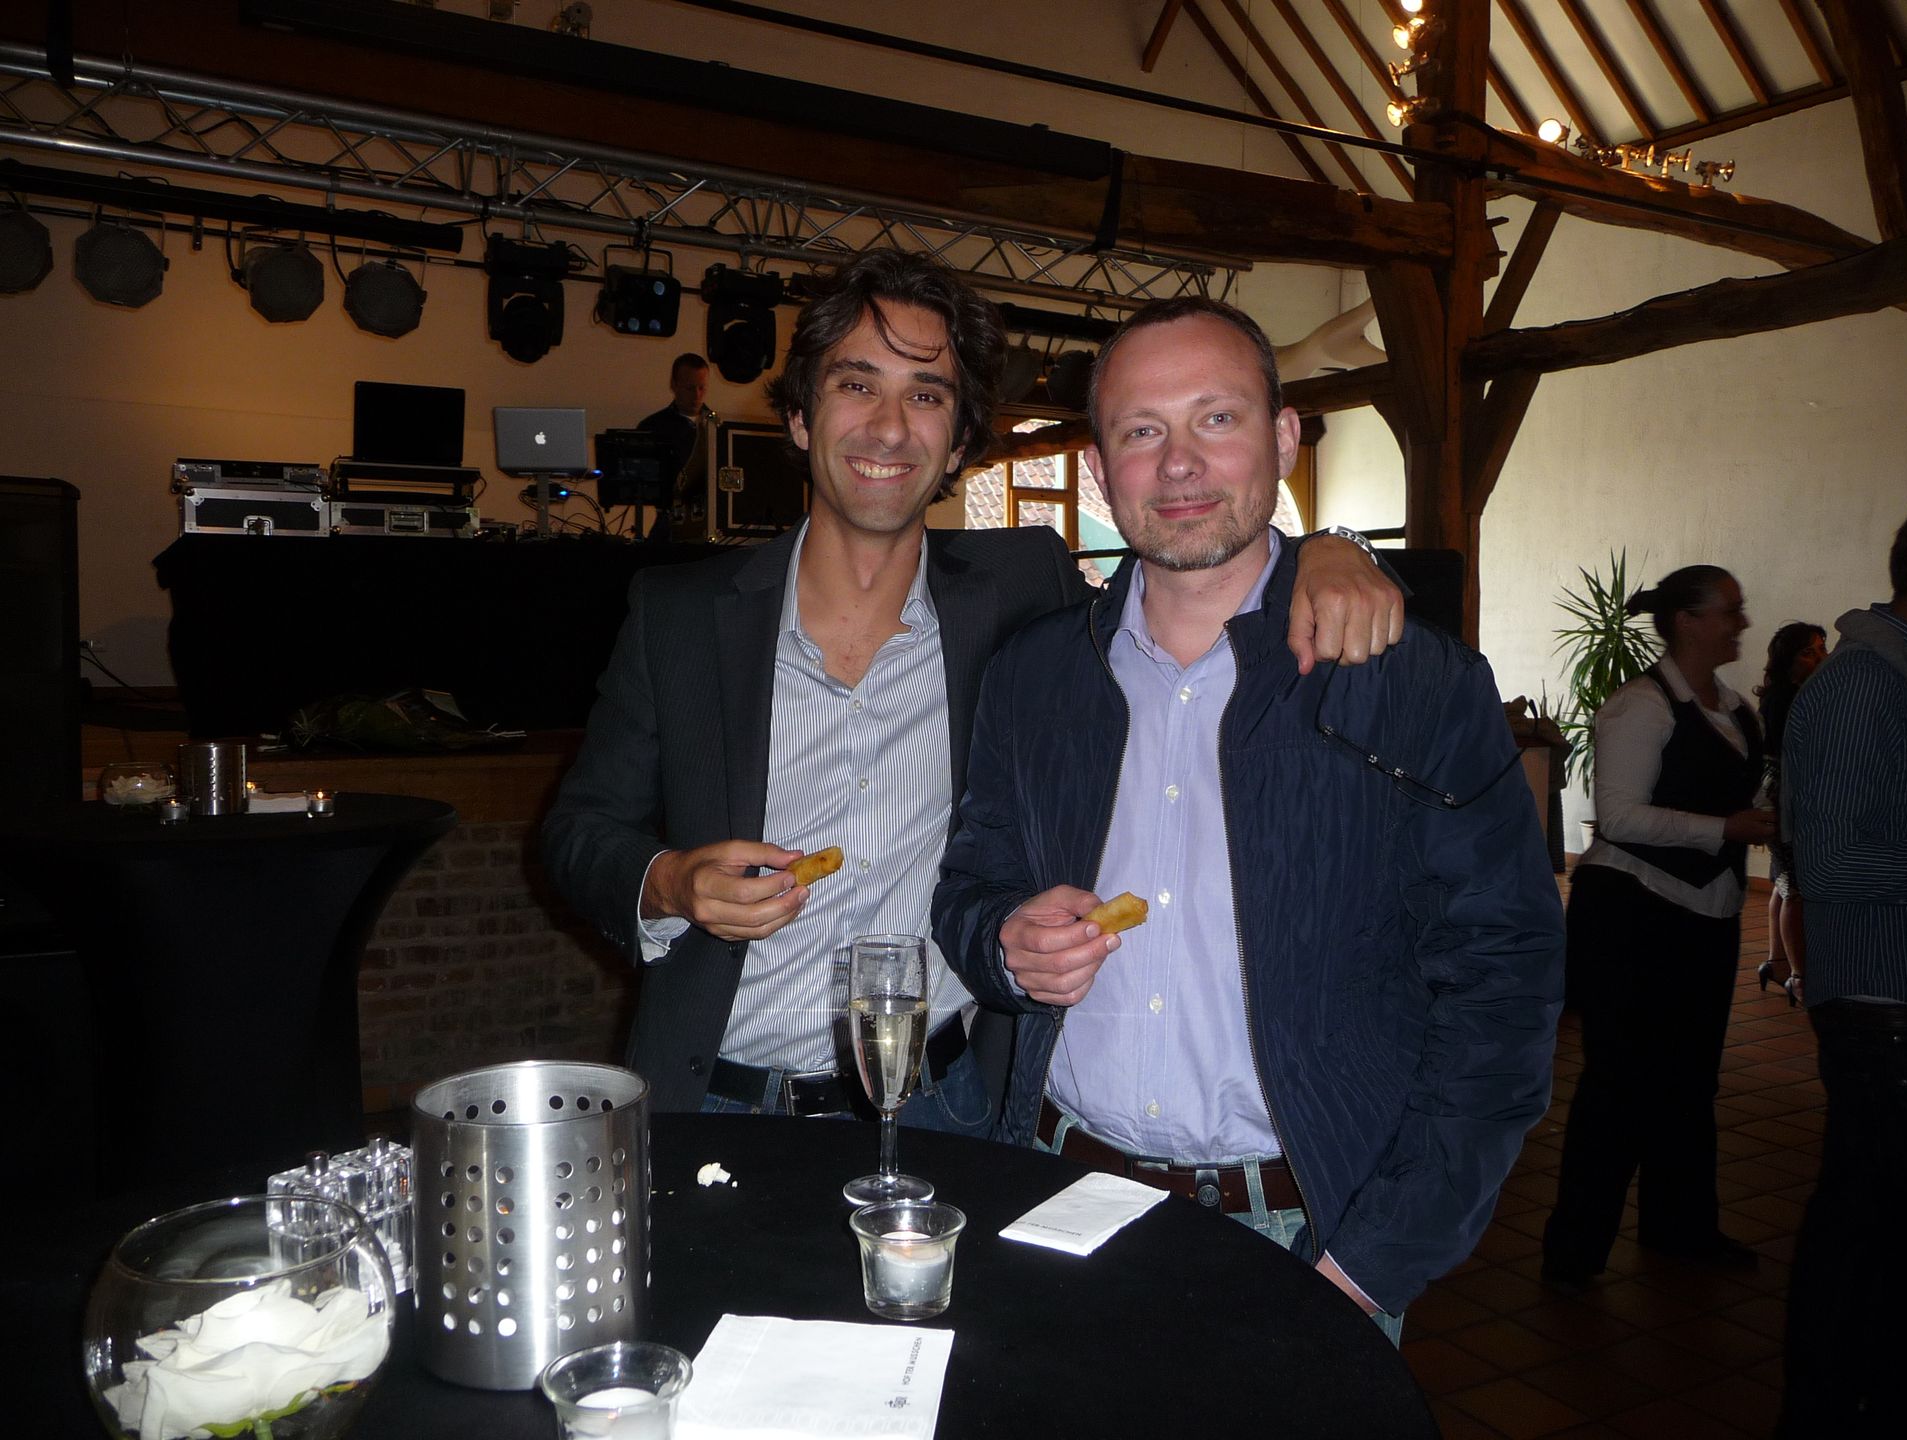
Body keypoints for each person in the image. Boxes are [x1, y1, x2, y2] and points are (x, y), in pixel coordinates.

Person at [542, 254, 1402, 1134]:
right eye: (856, 385)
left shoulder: (1023, 593)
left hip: (944, 1109)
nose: (888, 428)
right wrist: (669, 882)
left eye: (926, 395)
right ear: (800, 416)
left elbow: (1197, 569)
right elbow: (577, 833)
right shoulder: (680, 616)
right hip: (719, 1102)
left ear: (958, 443)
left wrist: (1332, 547)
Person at [930, 296, 1563, 1333]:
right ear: (1100, 471)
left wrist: (1374, 1261)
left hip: (1306, 1233)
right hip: (1058, 1195)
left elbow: (1505, 986)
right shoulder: (1035, 674)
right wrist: (1003, 940)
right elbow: (971, 884)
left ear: (1283, 439)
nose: (1179, 464)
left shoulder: (1415, 682)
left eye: (1216, 419)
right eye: (1142, 430)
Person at [1541, 565, 1776, 1283]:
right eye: (1729, 610)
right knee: (1619, 1085)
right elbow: (1618, 818)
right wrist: (1725, 828)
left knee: (1690, 1080)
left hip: (1706, 912)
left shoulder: (1734, 708)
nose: (1740, 622)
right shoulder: (1639, 707)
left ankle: (1680, 1227)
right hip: (1633, 916)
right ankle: (1575, 1252)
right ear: (1686, 621)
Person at [1775, 507, 1907, 1439]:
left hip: (1899, 993)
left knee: (1877, 1226)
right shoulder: (1865, 685)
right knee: (1871, 1227)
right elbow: (1827, 866)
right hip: (1879, 1002)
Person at [1753, 621, 1827, 1005]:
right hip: (1786, 799)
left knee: (1783, 883)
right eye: (1809, 652)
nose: (1820, 657)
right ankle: (1799, 977)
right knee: (1795, 889)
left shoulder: (1786, 695)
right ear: (1788, 660)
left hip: (1779, 796)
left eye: (1821, 648)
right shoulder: (1791, 699)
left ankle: (1777, 962)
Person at [637, 352, 711, 540]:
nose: (697, 395)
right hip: (670, 522)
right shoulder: (653, 427)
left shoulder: (717, 427)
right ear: (674, 385)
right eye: (690, 388)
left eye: (702, 388)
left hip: (709, 523)